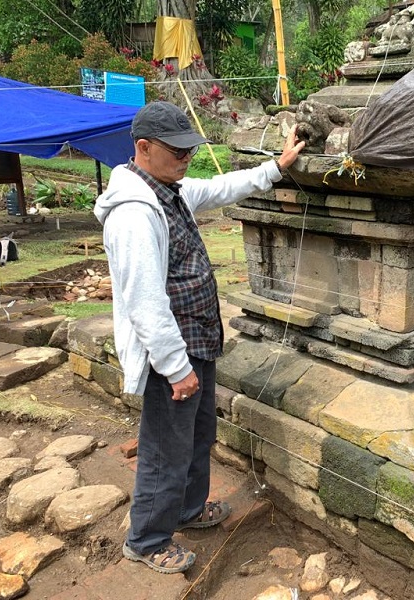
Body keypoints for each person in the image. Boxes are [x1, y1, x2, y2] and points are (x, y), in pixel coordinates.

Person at [94, 101, 304, 574]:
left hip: (198, 340)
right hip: (172, 354)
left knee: (197, 435)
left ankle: (189, 510)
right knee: (165, 448)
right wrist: (175, 367)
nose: (187, 158)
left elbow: (219, 187)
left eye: (190, 149)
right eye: (177, 150)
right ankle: (147, 539)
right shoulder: (134, 212)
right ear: (143, 148)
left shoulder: (169, 189)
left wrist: (275, 168)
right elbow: (144, 301)